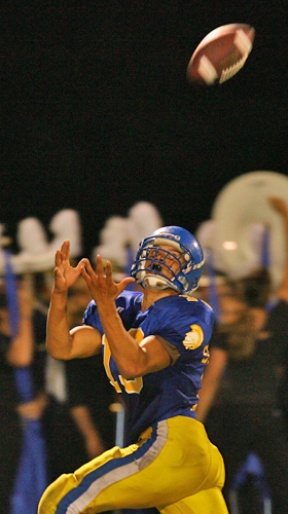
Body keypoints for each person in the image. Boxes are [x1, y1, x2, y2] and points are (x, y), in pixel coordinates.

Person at [38, 225, 229, 514]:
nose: (159, 257)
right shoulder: (123, 304)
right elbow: (62, 347)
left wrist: (105, 307)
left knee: (58, 502)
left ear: (190, 269)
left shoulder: (189, 311)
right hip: (183, 456)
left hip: (171, 443)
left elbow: (134, 363)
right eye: (155, 249)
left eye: (172, 254)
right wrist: (59, 293)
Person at [196, 197, 288, 514]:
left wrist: (193, 424)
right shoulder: (280, 318)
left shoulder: (229, 328)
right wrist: (284, 217)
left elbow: (210, 381)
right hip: (268, 416)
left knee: (218, 487)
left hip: (231, 417)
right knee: (282, 490)